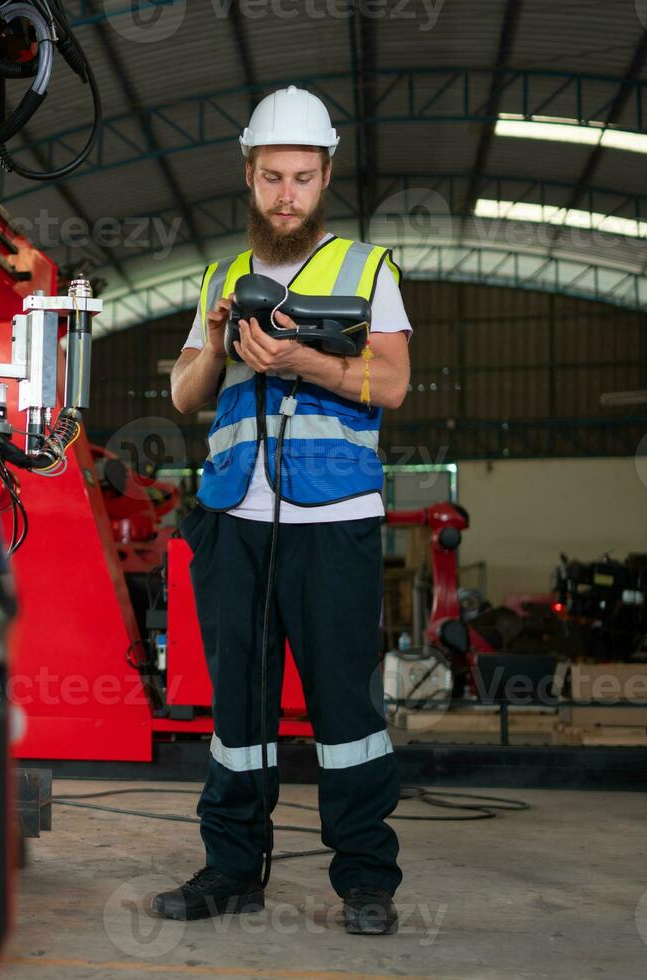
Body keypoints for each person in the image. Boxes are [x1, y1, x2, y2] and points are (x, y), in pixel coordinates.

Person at [153, 85, 413, 936]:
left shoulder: (366, 270)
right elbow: (186, 393)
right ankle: (232, 871)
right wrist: (221, 341)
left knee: (347, 712)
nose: (287, 196)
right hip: (235, 521)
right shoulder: (221, 278)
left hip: (333, 522)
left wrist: (303, 359)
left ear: (326, 175)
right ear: (250, 175)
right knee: (239, 715)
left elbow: (395, 381)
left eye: (302, 177)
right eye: (271, 178)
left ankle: (367, 883)